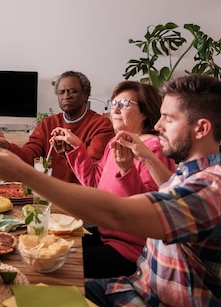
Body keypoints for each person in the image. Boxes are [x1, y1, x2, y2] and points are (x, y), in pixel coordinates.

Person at [0, 74, 221, 307]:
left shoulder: (212, 187)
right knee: (28, 299)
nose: (157, 125)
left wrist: (24, 174)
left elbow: (117, 212)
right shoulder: (189, 174)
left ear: (201, 128)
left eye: (168, 118)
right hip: (138, 290)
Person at [55, 81, 175, 278]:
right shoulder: (115, 142)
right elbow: (94, 183)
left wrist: (127, 170)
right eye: (114, 102)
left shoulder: (152, 147)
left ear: (145, 112)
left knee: (61, 261)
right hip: (107, 235)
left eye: (125, 103)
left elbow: (149, 211)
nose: (116, 108)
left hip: (131, 250)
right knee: (52, 245)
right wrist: (76, 148)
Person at [0, 70, 114, 184]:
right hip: (48, 195)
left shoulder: (101, 125)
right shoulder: (47, 124)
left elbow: (92, 173)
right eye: (62, 92)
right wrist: (4, 144)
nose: (66, 96)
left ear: (85, 95)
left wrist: (71, 151)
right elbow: (28, 158)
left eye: (72, 91)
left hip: (81, 199)